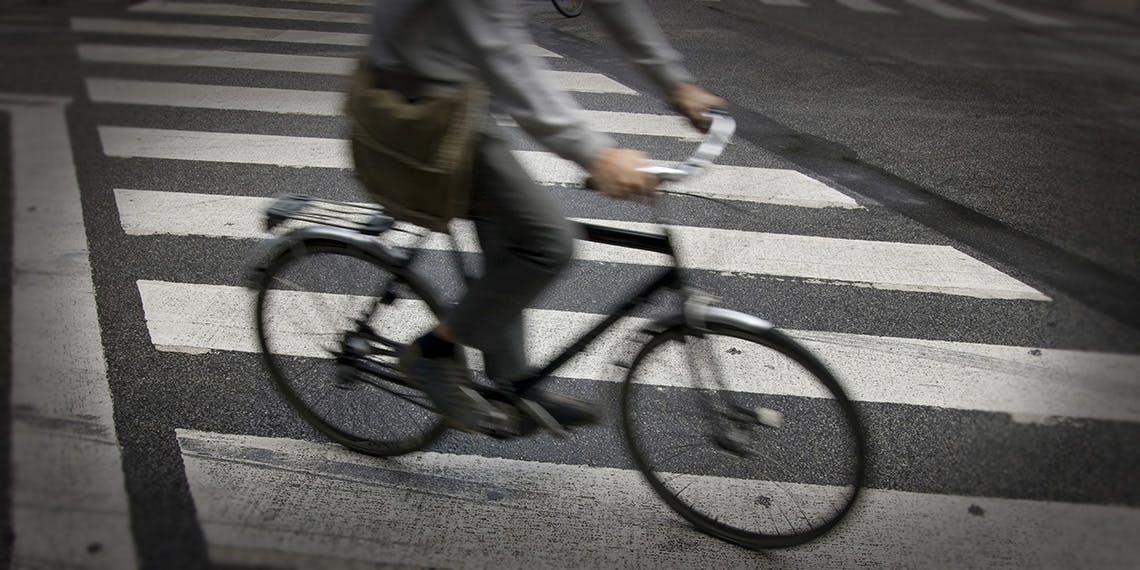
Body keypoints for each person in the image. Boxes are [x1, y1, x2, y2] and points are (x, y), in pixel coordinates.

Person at [369, 0, 726, 433]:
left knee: (513, 243)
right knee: (547, 243)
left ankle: (513, 388)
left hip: (465, 86)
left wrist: (675, 82)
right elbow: (504, 56)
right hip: (421, 102)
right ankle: (432, 353)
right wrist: (598, 154)